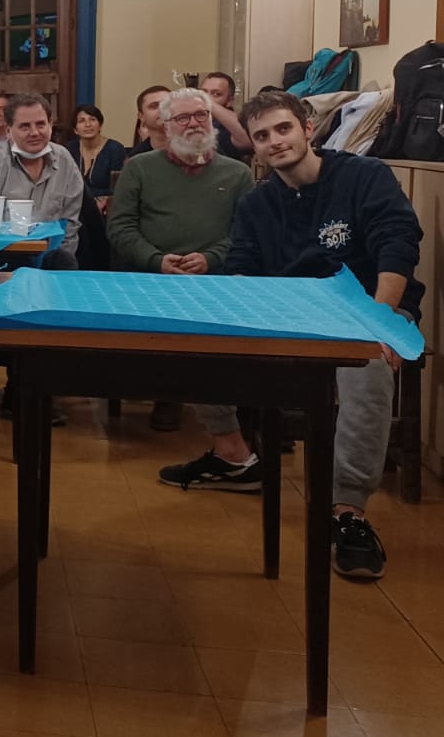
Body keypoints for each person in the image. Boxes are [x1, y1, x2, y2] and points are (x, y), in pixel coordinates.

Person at [158, 91, 424, 582]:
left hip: (366, 307)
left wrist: (380, 319)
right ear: (253, 148)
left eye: (282, 129)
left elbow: (397, 243)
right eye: (261, 137)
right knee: (195, 346)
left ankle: (349, 513)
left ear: (307, 128)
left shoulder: (363, 176)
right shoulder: (258, 204)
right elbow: (243, 267)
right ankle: (234, 455)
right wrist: (216, 305)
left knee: (367, 370)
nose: (274, 142)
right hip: (289, 314)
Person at [107, 88, 254, 431]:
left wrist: (211, 257)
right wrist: (157, 260)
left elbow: (246, 236)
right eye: (183, 118)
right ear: (166, 126)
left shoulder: (237, 174)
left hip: (216, 278)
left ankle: (242, 412)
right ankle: (169, 394)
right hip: (152, 277)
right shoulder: (139, 168)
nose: (194, 124)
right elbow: (120, 228)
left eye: (201, 115)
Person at [0, 93, 84, 266]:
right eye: (24, 126)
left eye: (41, 124)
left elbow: (69, 226)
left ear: (50, 125)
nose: (34, 132)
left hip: (51, 259)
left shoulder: (64, 159)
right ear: (9, 130)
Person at [64, 104, 127, 205]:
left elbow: (120, 187)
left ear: (100, 125)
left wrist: (105, 202)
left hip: (107, 207)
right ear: (75, 130)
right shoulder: (69, 149)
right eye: (81, 121)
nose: (88, 124)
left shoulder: (115, 149)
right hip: (75, 205)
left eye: (92, 119)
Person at [200, 71, 252, 162]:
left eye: (216, 94)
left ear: (230, 101)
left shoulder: (227, 127)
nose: (206, 97)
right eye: (203, 93)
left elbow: (248, 139)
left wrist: (208, 102)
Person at [129, 86, 171, 156]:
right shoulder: (136, 160)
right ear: (141, 116)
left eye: (167, 104)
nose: (162, 109)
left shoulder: (194, 148)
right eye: (154, 106)